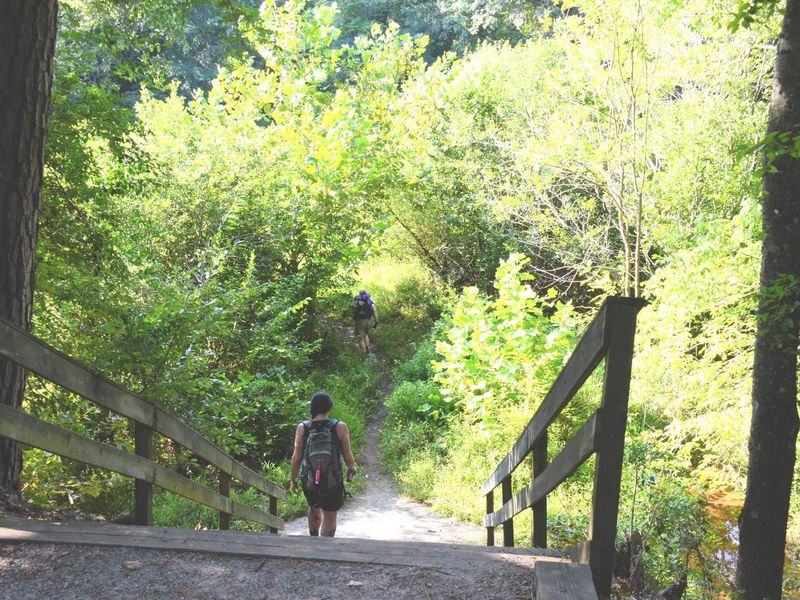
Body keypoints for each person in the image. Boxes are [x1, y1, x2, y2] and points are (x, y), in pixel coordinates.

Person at [289, 391, 356, 537]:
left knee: (314, 508)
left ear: (312, 408)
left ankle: (314, 541)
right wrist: (352, 468)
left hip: (310, 480)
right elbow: (347, 454)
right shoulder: (340, 426)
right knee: (330, 515)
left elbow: (296, 457)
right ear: (329, 408)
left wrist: (293, 479)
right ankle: (326, 549)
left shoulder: (303, 427)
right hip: (333, 479)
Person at [351, 289, 378, 354]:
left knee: (360, 337)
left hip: (359, 321)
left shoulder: (357, 301)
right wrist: (376, 322)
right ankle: (368, 349)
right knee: (365, 334)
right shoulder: (370, 302)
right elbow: (375, 312)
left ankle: (364, 353)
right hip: (369, 321)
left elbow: (352, 311)